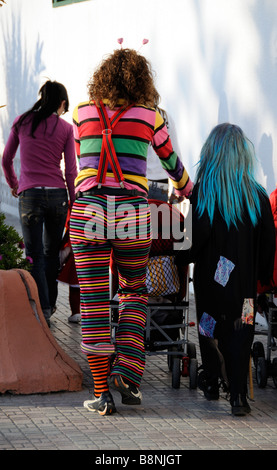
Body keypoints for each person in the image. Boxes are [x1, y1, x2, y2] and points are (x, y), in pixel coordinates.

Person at [69, 47, 193, 415]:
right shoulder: (149, 116)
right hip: (132, 213)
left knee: (92, 303)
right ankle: (128, 373)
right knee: (134, 292)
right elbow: (171, 162)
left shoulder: (81, 112)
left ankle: (102, 393)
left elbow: (83, 161)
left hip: (88, 209)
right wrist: (188, 191)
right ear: (142, 81)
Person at [177, 123, 275, 416]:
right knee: (242, 331)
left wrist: (181, 260)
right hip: (244, 289)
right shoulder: (257, 195)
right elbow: (268, 242)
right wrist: (263, 279)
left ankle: (210, 380)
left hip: (210, 287)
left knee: (209, 327)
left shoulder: (205, 193)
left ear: (212, 153)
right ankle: (238, 394)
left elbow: (193, 237)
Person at [2, 80, 77, 326]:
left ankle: (43, 306)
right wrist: (73, 201)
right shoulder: (65, 128)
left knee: (34, 254)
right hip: (57, 196)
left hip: (30, 195)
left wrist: (14, 183)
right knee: (51, 253)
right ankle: (51, 304)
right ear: (61, 102)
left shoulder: (22, 121)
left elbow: (6, 158)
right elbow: (71, 172)